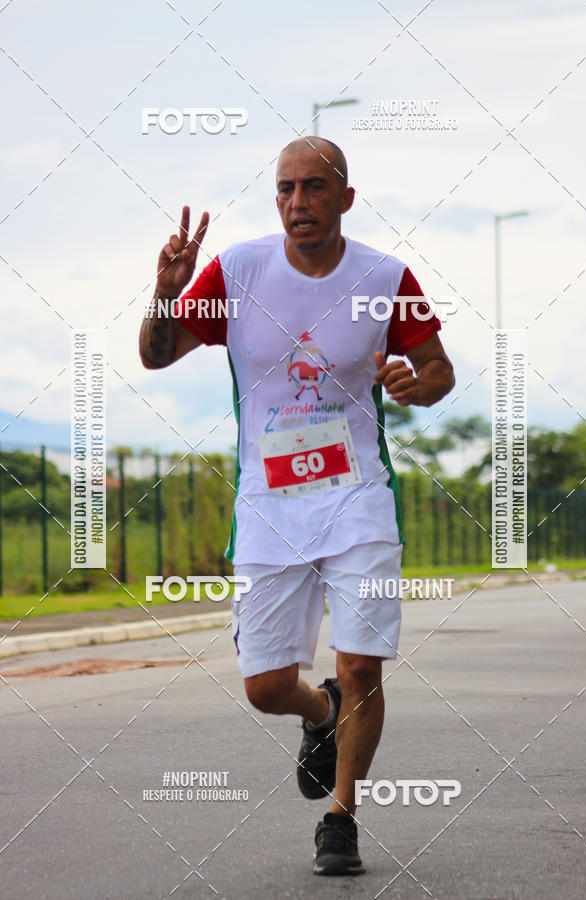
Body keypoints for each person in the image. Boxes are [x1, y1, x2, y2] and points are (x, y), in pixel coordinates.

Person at [139, 137, 455, 876]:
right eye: (285, 189)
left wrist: (418, 381)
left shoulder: (384, 276)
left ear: (345, 198)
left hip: (356, 498)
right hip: (270, 506)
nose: (297, 203)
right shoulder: (238, 271)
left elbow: (439, 368)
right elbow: (158, 353)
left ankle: (341, 818)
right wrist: (166, 290)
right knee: (264, 688)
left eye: (314, 188)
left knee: (363, 665)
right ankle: (320, 712)